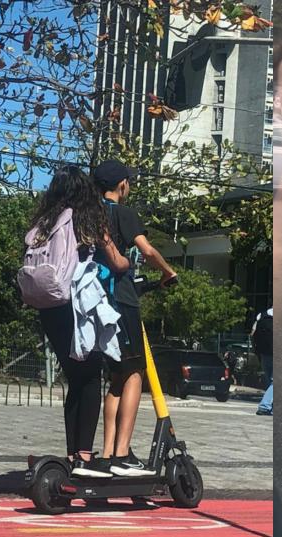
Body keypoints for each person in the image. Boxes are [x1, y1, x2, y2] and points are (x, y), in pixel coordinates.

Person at [30, 166, 130, 478]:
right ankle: (84, 458)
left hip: (48, 305)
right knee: (89, 377)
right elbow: (116, 261)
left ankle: (73, 451)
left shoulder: (44, 222)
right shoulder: (87, 217)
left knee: (74, 377)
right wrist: (127, 264)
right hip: (77, 305)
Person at [92, 159, 178, 476]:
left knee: (116, 377)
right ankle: (123, 454)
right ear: (122, 184)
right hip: (120, 300)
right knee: (134, 374)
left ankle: (107, 453)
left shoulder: (89, 213)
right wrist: (168, 272)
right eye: (129, 181)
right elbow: (148, 250)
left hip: (95, 302)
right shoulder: (122, 213)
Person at [252, 306, 273, 416]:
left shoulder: (262, 315)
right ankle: (264, 406)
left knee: (271, 381)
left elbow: (252, 334)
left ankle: (272, 408)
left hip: (264, 352)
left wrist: (255, 350)